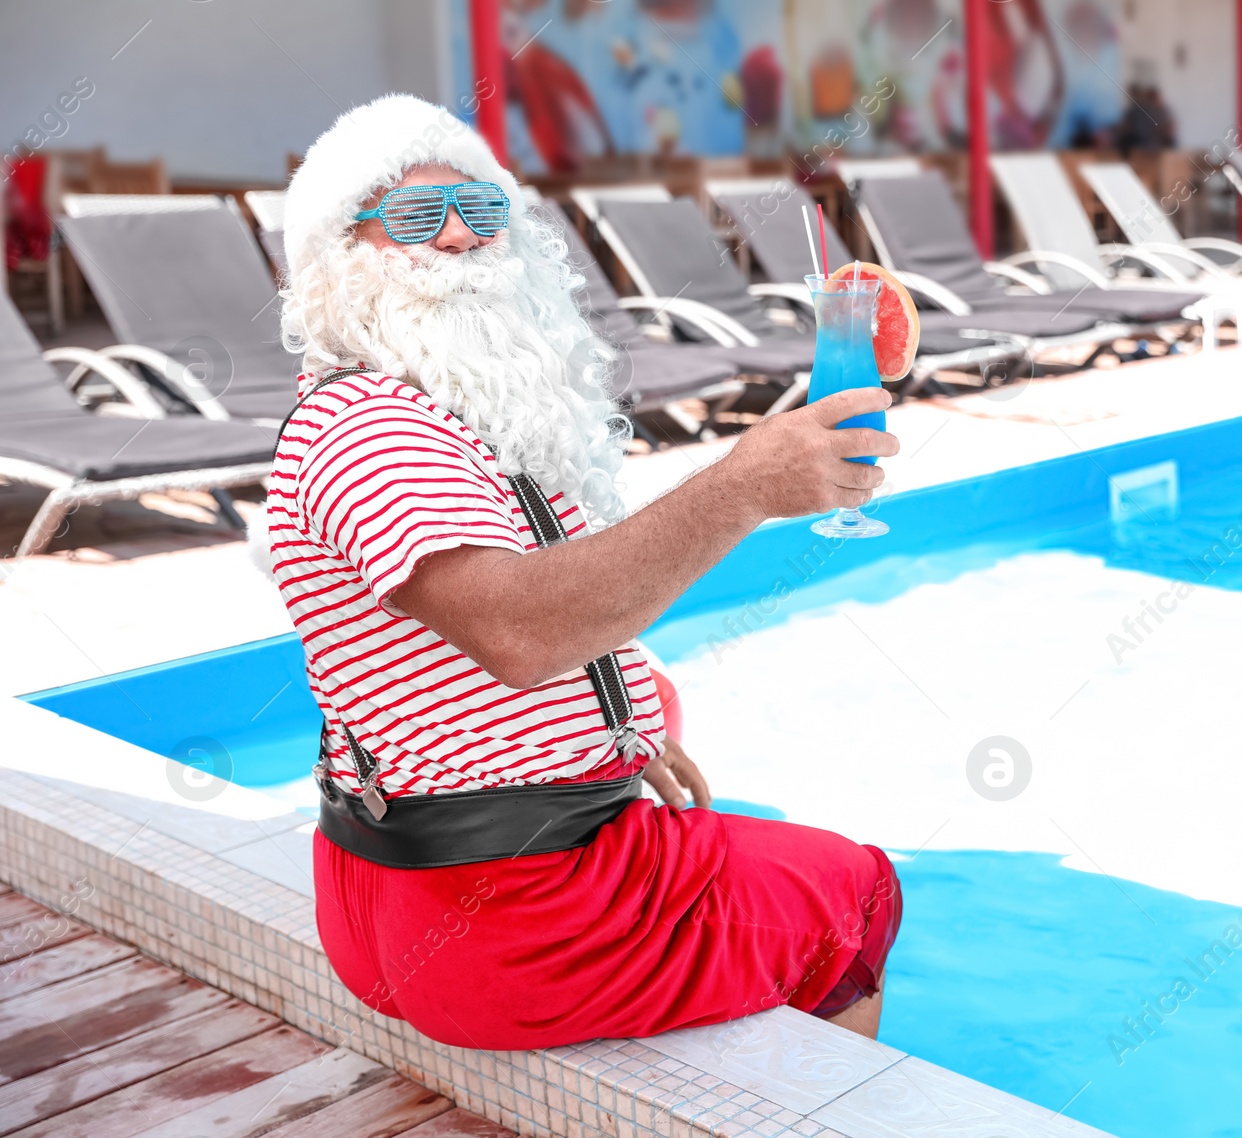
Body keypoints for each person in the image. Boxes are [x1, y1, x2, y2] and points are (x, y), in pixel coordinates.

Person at [265, 94, 902, 1049]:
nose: (457, 238)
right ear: (336, 256)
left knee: (670, 703)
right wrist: (741, 488)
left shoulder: (449, 412)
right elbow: (521, 633)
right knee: (853, 889)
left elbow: (448, 674)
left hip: (424, 884)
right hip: (505, 917)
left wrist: (619, 733)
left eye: (482, 212)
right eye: (412, 216)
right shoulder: (373, 429)